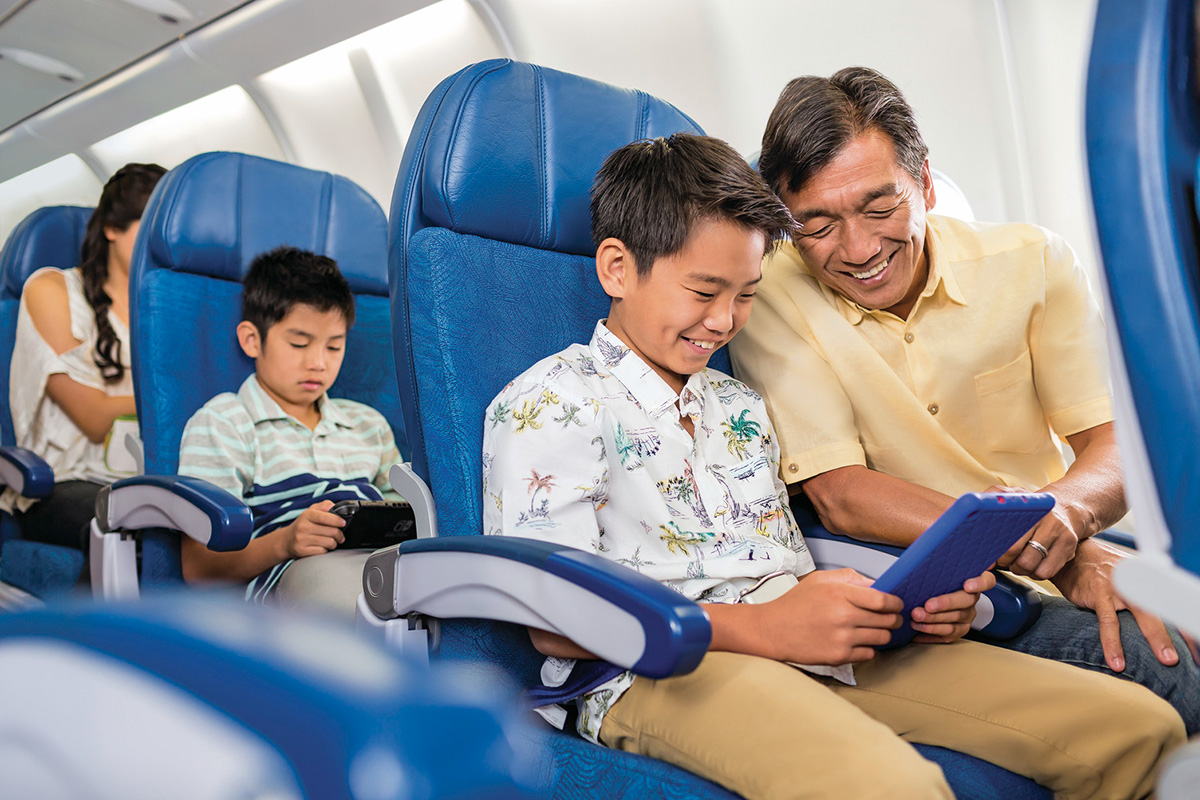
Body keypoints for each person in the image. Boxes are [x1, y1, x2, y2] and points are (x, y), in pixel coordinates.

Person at [482, 132, 1183, 800]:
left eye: (748, 293)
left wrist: (901, 603)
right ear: (616, 268)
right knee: (893, 787)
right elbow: (554, 619)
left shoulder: (737, 405)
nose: (726, 321)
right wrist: (767, 629)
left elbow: (787, 560)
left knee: (1139, 733)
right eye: (704, 293)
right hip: (656, 666)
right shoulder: (549, 404)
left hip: (807, 643)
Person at [730, 66, 1200, 733]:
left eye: (879, 205)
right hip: (941, 588)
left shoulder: (1033, 261)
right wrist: (1033, 544)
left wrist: (1065, 522)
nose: (860, 249)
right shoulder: (768, 294)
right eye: (818, 226)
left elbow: (1114, 444)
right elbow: (842, 493)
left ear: (923, 184)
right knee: (1170, 667)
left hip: (1055, 536)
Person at [177, 246, 402, 616]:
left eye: (334, 346)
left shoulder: (368, 424)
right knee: (356, 603)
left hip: (382, 563)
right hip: (291, 575)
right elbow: (198, 566)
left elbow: (405, 516)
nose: (318, 362)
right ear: (252, 340)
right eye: (299, 344)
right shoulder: (225, 422)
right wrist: (285, 543)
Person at [2, 163, 166, 558]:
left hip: (152, 477)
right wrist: (170, 404)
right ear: (111, 227)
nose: (157, 248)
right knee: (149, 534)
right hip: (64, 481)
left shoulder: (165, 305)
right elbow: (93, 416)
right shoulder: (51, 288)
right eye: (147, 230)